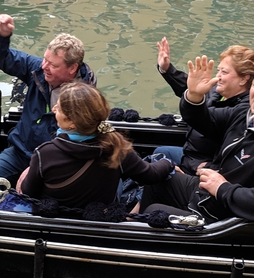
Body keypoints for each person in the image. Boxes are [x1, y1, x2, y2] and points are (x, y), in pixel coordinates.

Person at [139, 59, 254, 223]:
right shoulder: (244, 114)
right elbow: (203, 121)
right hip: (206, 194)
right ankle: (131, 222)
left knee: (153, 211)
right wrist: (195, 95)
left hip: (223, 218)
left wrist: (221, 188)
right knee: (157, 178)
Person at [0, 13, 96, 184]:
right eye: (45, 59)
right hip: (22, 151)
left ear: (72, 69)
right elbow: (0, 57)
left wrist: (37, 166)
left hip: (60, 160)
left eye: (53, 65)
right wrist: (2, 35)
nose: (44, 67)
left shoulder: (86, 96)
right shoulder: (37, 69)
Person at [18, 82, 174, 210]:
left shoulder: (44, 153)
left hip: (57, 222)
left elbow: (27, 193)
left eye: (58, 108)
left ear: (72, 123)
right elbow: (150, 174)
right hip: (101, 218)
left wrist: (29, 172)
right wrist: (168, 163)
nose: (53, 109)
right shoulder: (116, 146)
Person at [154, 39, 254, 174]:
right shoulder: (219, 90)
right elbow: (192, 87)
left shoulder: (245, 110)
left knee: (157, 168)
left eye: (224, 72)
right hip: (190, 154)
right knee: (160, 152)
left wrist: (207, 167)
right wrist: (167, 69)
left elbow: (202, 116)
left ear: (244, 79)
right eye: (218, 70)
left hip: (202, 165)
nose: (218, 76)